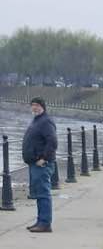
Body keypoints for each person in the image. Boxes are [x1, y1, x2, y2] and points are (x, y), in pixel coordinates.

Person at [22, 97, 58, 233]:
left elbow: (52, 142)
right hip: (34, 163)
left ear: (43, 106)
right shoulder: (37, 120)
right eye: (32, 105)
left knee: (43, 194)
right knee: (39, 194)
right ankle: (40, 221)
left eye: (37, 105)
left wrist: (43, 158)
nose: (34, 107)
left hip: (42, 164)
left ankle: (45, 224)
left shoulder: (46, 121)